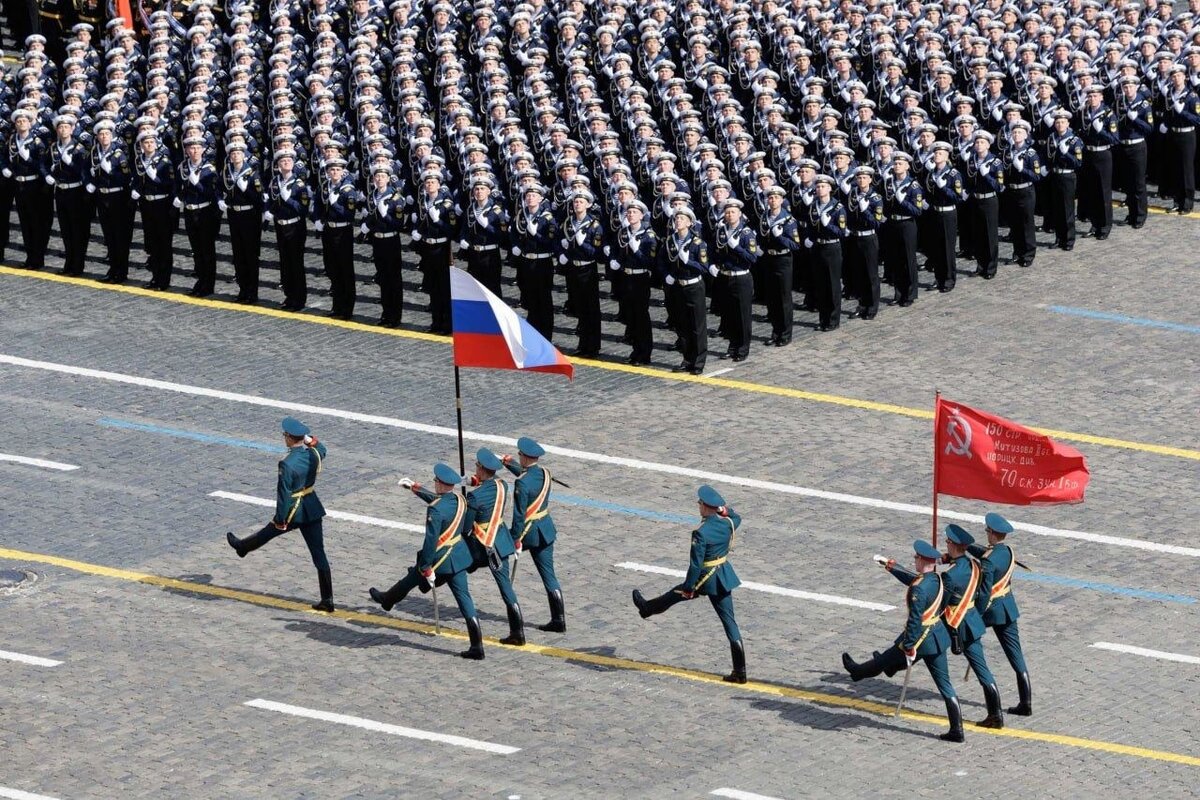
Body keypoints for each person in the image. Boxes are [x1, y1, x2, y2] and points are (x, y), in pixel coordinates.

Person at [842, 540, 964, 743]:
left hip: (920, 640)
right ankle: (957, 729)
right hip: (937, 637)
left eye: (916, 557)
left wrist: (908, 648)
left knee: (883, 660)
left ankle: (857, 672)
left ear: (923, 560)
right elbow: (914, 579)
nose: (914, 560)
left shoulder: (919, 590)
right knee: (945, 685)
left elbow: (915, 619)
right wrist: (891, 566)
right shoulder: (938, 579)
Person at [632, 484, 746, 684]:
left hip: (705, 578)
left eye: (700, 503)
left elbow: (695, 565)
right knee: (730, 622)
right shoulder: (727, 524)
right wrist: (724, 510)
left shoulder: (701, 533)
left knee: (677, 593)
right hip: (723, 575)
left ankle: (647, 608)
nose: (698, 505)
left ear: (704, 507)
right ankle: (740, 671)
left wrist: (689, 588)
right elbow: (737, 518)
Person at [370, 463, 485, 660]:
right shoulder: (460, 499)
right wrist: (415, 488)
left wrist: (426, 567)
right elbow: (439, 501)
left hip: (440, 559)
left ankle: (387, 599)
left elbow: (430, 541)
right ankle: (477, 645)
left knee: (412, 577)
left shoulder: (436, 511)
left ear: (440, 484)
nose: (434, 485)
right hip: (458, 556)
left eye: (435, 482)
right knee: (465, 599)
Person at [225, 417, 334, 612]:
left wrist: (281, 519)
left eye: (285, 436)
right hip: (312, 505)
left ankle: (243, 547)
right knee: (319, 552)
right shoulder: (314, 454)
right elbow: (322, 448)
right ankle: (328, 599)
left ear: (290, 438)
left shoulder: (287, 464)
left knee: (270, 530)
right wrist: (309, 439)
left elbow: (283, 494)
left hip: (295, 508)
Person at [940, 524, 1005, 729]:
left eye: (948, 542)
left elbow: (943, 602)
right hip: (972, 622)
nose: (946, 545)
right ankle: (996, 715)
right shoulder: (975, 566)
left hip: (958, 625)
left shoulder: (951, 575)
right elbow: (983, 595)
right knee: (983, 670)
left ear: (954, 545)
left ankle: (995, 716)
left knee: (923, 649)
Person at [968, 512, 1032, 717]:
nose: (986, 533)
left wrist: (976, 615)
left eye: (987, 531)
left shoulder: (988, 561)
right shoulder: (1007, 551)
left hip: (992, 611)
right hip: (1008, 609)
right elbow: (986, 553)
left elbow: (985, 593)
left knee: (966, 633)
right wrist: (966, 546)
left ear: (993, 534)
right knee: (1016, 655)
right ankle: (1026, 702)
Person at [501, 437, 565, 633]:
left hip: (529, 533)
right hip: (545, 529)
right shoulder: (545, 473)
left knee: (499, 557)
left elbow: (519, 516)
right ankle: (559, 619)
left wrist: (516, 539)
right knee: (549, 576)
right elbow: (529, 475)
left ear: (525, 458)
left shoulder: (521, 484)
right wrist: (508, 463)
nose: (518, 458)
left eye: (519, 455)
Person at [465, 447, 525, 646]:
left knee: (453, 568)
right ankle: (517, 630)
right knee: (505, 586)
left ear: (481, 469)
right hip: (501, 540)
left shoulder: (475, 497)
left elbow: (466, 527)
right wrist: (471, 482)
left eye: (476, 467)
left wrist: (468, 499)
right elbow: (488, 487)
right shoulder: (502, 486)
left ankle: (517, 632)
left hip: (485, 547)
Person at [659, 206, 710, 374]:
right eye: (676, 219)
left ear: (689, 223)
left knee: (697, 325)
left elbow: (704, 267)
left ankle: (698, 362)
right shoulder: (670, 241)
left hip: (694, 286)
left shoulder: (697, 243)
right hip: (677, 286)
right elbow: (662, 261)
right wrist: (667, 274)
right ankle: (687, 359)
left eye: (681, 219)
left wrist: (688, 262)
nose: (678, 221)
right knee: (683, 325)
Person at [2, 109, 52, 272]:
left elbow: (42, 164)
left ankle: (38, 258)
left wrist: (28, 158)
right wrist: (4, 168)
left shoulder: (37, 142)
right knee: (24, 223)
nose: (21, 123)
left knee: (35, 222)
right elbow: (3, 156)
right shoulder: (12, 141)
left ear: (30, 123)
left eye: (24, 121)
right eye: (18, 122)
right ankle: (29, 257)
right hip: (19, 185)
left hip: (33, 185)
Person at [555, 190, 604, 357]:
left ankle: (593, 346)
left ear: (588, 204)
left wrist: (582, 244)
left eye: (581, 202)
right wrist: (563, 252)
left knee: (591, 309)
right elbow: (562, 241)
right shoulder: (569, 222)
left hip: (587, 269)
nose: (577, 205)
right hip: (573, 268)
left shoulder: (594, 226)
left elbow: (596, 253)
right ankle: (583, 344)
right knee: (580, 309)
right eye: (575, 202)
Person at [609, 201, 658, 366]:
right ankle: (636, 350)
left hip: (640, 278)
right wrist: (614, 260)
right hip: (626, 276)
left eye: (634, 213)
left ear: (641, 215)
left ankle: (645, 353)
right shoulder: (623, 232)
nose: (630, 215)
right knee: (630, 315)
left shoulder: (648, 236)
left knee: (641, 316)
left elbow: (650, 262)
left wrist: (637, 251)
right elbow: (617, 251)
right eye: (628, 213)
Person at [314, 157, 361, 320]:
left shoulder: (348, 190)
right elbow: (317, 203)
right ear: (327, 172)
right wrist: (317, 219)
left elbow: (350, 213)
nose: (334, 172)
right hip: (329, 230)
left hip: (343, 232)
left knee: (345, 270)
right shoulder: (324, 186)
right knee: (332, 268)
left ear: (342, 172)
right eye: (331, 170)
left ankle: (347, 309)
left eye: (337, 170)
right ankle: (337, 306)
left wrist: (336, 205)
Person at [411, 170, 457, 334]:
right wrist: (416, 232)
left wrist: (438, 221)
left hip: (441, 248)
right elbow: (419, 222)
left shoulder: (447, 205)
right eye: (427, 183)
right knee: (432, 287)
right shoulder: (423, 203)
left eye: (433, 182)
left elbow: (452, 230)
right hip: (427, 248)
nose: (429, 185)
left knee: (445, 288)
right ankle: (436, 322)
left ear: (439, 185)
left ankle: (448, 324)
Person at [711, 199, 758, 357]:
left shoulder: (746, 233)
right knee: (729, 314)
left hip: (741, 277)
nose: (730, 215)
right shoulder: (721, 231)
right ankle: (732, 346)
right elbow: (716, 251)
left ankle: (743, 349)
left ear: (739, 214)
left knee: (743, 315)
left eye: (733, 212)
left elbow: (752, 258)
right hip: (725, 277)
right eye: (727, 212)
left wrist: (736, 247)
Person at [220, 142, 266, 304]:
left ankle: (252, 293)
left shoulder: (253, 174)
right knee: (238, 255)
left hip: (249, 216)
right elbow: (220, 188)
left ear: (244, 155)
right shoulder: (227, 172)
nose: (235, 156)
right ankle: (242, 290)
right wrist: (221, 200)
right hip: (234, 215)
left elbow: (259, 199)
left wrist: (246, 189)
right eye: (232, 154)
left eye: (238, 153)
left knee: (250, 255)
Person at [510, 184, 557, 340]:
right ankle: (533, 333)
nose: (530, 198)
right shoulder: (522, 215)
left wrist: (535, 234)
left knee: (544, 300)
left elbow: (550, 242)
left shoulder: (547, 218)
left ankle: (546, 336)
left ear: (540, 198)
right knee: (530, 298)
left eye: (533, 196)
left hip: (542, 263)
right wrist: (516, 245)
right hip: (526, 261)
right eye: (528, 196)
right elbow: (515, 233)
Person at [176, 136, 221, 297]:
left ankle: (208, 285)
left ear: (203, 150)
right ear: (187, 150)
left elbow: (212, 193)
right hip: (190, 211)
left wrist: (198, 184)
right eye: (191, 148)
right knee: (196, 249)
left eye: (197, 148)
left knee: (207, 250)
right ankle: (200, 281)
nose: (194, 151)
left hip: (204, 212)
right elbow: (180, 186)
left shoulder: (209, 169)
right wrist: (179, 197)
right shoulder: (183, 167)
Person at [131, 130, 177, 290]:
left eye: (151, 142)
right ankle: (155, 277)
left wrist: (155, 177)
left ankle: (164, 280)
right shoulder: (139, 161)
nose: (149, 145)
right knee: (152, 244)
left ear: (156, 144)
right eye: (146, 143)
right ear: (142, 146)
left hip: (162, 204)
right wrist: (135, 189)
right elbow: (137, 179)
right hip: (147, 204)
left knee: (164, 244)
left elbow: (169, 184)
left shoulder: (165, 161)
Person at [267, 153, 312, 312]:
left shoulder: (299, 185)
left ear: (293, 164)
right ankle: (289, 296)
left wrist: (289, 200)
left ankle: (299, 299)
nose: (285, 163)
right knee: (285, 262)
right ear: (278, 165)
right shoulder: (275, 182)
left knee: (296, 263)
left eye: (288, 161)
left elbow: (303, 208)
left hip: (295, 227)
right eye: (282, 161)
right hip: (280, 225)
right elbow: (271, 201)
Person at [756, 184, 802, 343]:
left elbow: (795, 245)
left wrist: (780, 237)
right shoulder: (764, 217)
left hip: (783, 259)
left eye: (776, 197)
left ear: (782, 200)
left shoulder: (788, 220)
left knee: (783, 298)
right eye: (770, 197)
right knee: (772, 297)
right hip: (768, 259)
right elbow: (761, 237)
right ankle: (775, 332)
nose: (773, 200)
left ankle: (785, 334)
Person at [362, 164, 406, 327]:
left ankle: (395, 316)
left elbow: (399, 224)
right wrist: (366, 226)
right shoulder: (371, 196)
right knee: (382, 278)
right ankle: (386, 313)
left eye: (382, 177)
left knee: (394, 278)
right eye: (376, 177)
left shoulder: (396, 198)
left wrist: (385, 215)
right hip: (377, 241)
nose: (379, 179)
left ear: (388, 179)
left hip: (391, 240)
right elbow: (370, 218)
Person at [48, 114, 91, 277]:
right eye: (60, 127)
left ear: (72, 129)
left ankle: (78, 265)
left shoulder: (79, 149)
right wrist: (48, 174)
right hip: (60, 190)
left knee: (76, 229)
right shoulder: (53, 147)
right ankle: (68, 263)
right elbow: (43, 164)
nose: (63, 129)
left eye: (66, 127)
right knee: (65, 230)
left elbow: (83, 171)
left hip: (75, 191)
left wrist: (70, 162)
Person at [881, 152, 926, 308]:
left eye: (900, 163)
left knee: (908, 259)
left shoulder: (913, 186)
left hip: (907, 224)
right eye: (895, 163)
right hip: (892, 223)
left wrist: (903, 201)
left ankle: (910, 293)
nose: (896, 166)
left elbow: (918, 210)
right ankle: (898, 293)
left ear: (907, 166)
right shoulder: (888, 182)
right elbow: (884, 203)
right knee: (895, 259)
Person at [923, 142, 967, 292]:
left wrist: (944, 188)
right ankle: (938, 277)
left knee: (947, 248)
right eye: (935, 153)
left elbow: (958, 197)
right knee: (936, 248)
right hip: (935, 212)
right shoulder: (931, 173)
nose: (936, 156)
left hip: (948, 213)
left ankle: (949, 279)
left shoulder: (953, 174)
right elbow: (927, 192)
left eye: (940, 154)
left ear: (947, 156)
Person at [805, 176, 847, 330]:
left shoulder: (837, 208)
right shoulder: (813, 206)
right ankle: (823, 319)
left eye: (823, 186)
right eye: (818, 187)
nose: (820, 189)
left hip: (831, 248)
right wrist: (809, 238)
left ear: (829, 188)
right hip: (818, 247)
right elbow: (810, 226)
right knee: (821, 285)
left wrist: (828, 224)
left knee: (832, 284)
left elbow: (841, 232)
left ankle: (833, 320)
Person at [457, 175, 510, 298]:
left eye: (482, 188)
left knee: (493, 289)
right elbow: (465, 228)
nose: (479, 191)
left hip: (490, 254)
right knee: (476, 289)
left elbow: (503, 236)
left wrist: (488, 226)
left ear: (488, 191)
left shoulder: (496, 210)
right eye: (477, 189)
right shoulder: (471, 209)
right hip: (474, 253)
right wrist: (463, 239)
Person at [1077, 86, 1118, 240]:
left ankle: (1105, 226)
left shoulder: (1108, 114)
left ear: (1101, 97)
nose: (1092, 98)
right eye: (1090, 96)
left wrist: (1101, 131)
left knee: (1103, 192)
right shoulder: (1083, 112)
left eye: (1095, 96)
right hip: (1088, 153)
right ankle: (1095, 224)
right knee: (1091, 191)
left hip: (1103, 153)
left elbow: (1115, 139)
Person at [843, 166, 884, 319]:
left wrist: (865, 210)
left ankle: (872, 307)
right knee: (859, 273)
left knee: (871, 274)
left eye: (864, 178)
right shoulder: (853, 194)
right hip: (855, 237)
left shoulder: (876, 198)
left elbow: (877, 223)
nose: (861, 180)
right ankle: (862, 304)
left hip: (868, 238)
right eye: (859, 178)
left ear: (870, 180)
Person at [1001, 121, 1041, 268]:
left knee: (1026, 222)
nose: (1016, 135)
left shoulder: (1031, 153)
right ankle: (1017, 252)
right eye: (1014, 132)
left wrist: (1022, 169)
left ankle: (1028, 254)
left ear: (1026, 135)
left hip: (1025, 190)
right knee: (1015, 223)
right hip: (1011, 190)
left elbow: (1036, 176)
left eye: (1019, 132)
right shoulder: (1007, 152)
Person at [963, 131, 1003, 278]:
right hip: (975, 200)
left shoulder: (995, 162)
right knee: (978, 234)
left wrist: (986, 175)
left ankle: (991, 268)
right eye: (977, 142)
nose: (979, 145)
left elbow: (999, 186)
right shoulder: (971, 160)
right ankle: (980, 265)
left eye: (982, 142)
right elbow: (969, 180)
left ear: (988, 145)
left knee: (990, 235)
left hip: (989, 200)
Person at [1114, 76, 1153, 230]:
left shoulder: (1143, 105)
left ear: (1136, 87)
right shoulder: (1119, 103)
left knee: (1138, 183)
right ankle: (1131, 214)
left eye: (1131, 87)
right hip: (1123, 145)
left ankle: (1140, 215)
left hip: (1137, 146)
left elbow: (1149, 128)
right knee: (1127, 183)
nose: (1128, 90)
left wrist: (1136, 119)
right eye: (1125, 87)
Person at [1044, 110, 1084, 251]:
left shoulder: (1074, 140)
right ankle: (1059, 238)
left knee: (1067, 210)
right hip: (1055, 175)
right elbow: (1048, 157)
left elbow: (1078, 162)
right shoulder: (1051, 138)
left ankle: (1069, 240)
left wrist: (1066, 154)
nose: (1060, 124)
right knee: (1057, 209)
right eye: (1057, 122)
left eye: (1062, 122)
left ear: (1067, 123)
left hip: (1067, 176)